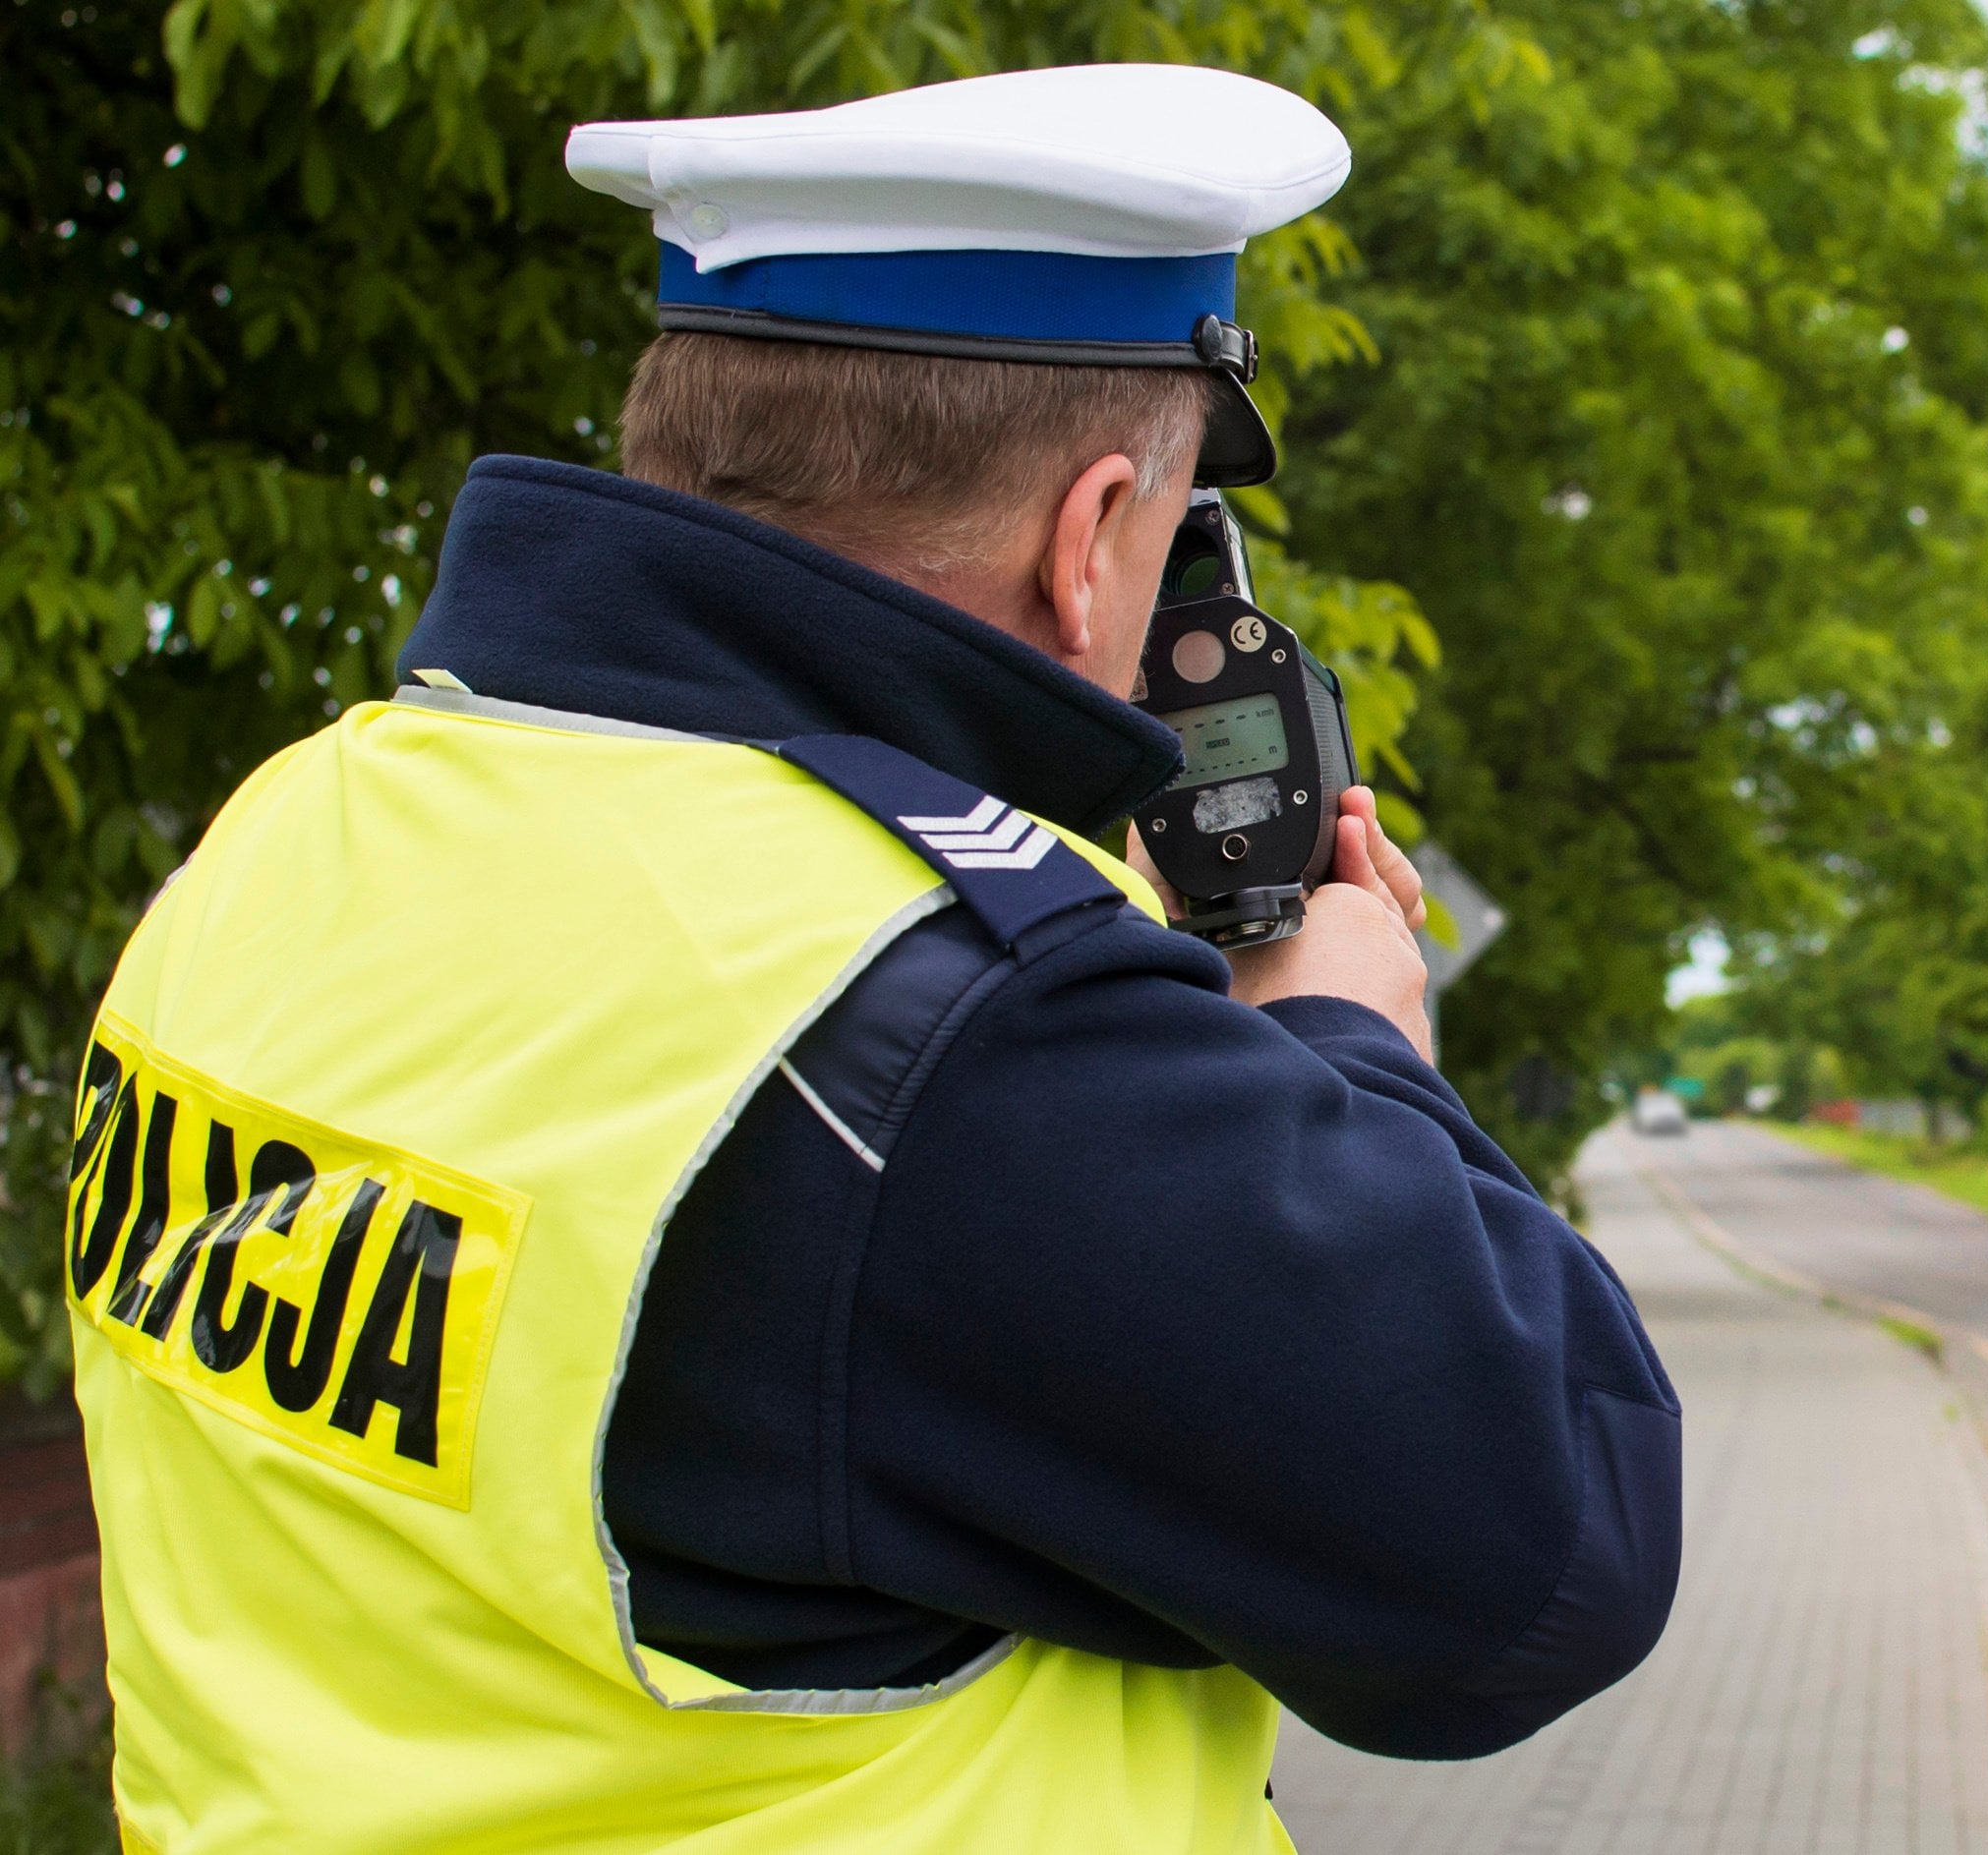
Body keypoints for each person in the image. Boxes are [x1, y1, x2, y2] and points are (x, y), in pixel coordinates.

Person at [62, 64, 1679, 1854]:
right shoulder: (949, 1031)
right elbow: (1539, 1563)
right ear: (1086, 548)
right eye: (1163, 548)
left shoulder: (295, 828)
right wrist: (1345, 1041)